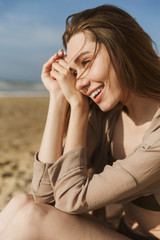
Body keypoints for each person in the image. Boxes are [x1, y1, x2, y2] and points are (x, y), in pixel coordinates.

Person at [0, 4, 160, 240]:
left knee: (31, 218)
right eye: (74, 72)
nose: (80, 82)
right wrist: (57, 98)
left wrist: (77, 107)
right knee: (22, 203)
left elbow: (70, 199)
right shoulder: (110, 116)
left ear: (123, 48)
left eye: (86, 62)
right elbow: (44, 195)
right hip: (122, 232)